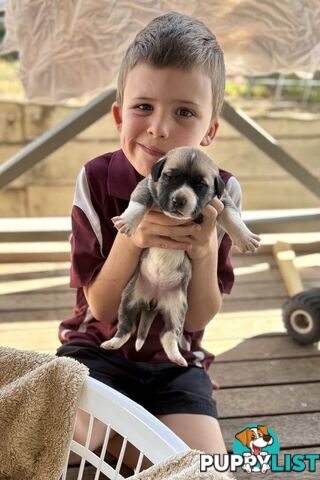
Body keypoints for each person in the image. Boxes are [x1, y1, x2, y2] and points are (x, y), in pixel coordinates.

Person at [57, 11, 241, 476]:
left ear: (209, 130)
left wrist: (201, 252)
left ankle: (137, 440)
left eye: (184, 111)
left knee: (205, 470)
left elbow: (198, 317)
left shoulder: (222, 191)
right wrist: (131, 239)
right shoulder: (97, 178)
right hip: (97, 347)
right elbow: (98, 307)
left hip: (176, 362)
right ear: (120, 114)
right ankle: (134, 442)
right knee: (70, 438)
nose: (159, 128)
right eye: (143, 107)